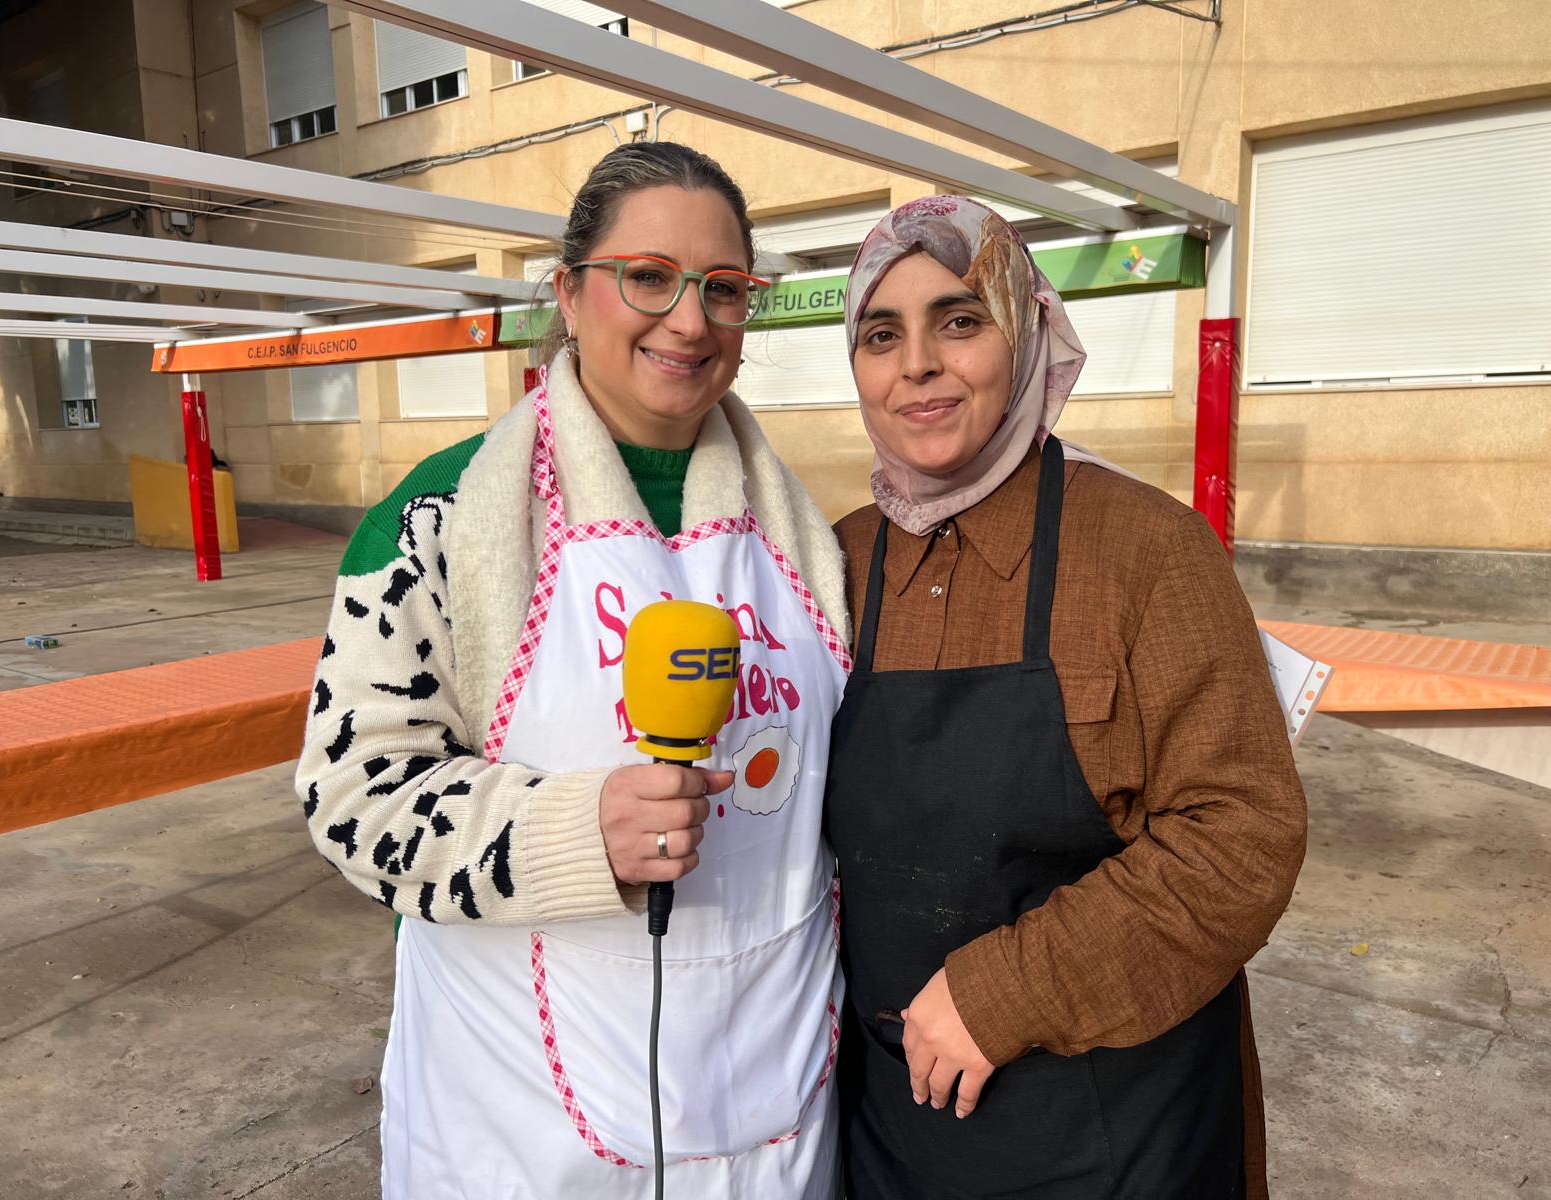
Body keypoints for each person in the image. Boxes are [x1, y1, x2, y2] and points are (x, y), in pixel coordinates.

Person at [297, 142, 852, 1199]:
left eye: (724, 290)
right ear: (569, 289)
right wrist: (566, 832)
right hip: (521, 1121)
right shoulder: (439, 521)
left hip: (775, 1109)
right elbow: (351, 803)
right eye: (648, 276)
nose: (688, 321)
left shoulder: (806, 539)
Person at [824, 196, 1308, 1198]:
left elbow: (1240, 836)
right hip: (893, 1132)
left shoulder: (1144, 551)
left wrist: (1006, 989)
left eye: (959, 321)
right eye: (882, 334)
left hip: (1118, 1128)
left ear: (1027, 331)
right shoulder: (836, 561)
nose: (916, 363)